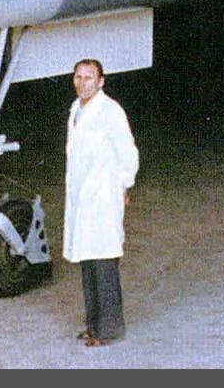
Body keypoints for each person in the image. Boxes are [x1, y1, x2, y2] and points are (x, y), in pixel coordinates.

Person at [63, 58, 138, 347]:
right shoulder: (76, 109)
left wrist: (123, 185)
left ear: (101, 81)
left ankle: (109, 330)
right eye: (78, 77)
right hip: (83, 198)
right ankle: (93, 325)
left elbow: (128, 153)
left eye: (89, 78)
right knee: (88, 262)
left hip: (103, 197)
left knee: (104, 263)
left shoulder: (110, 111)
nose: (83, 83)